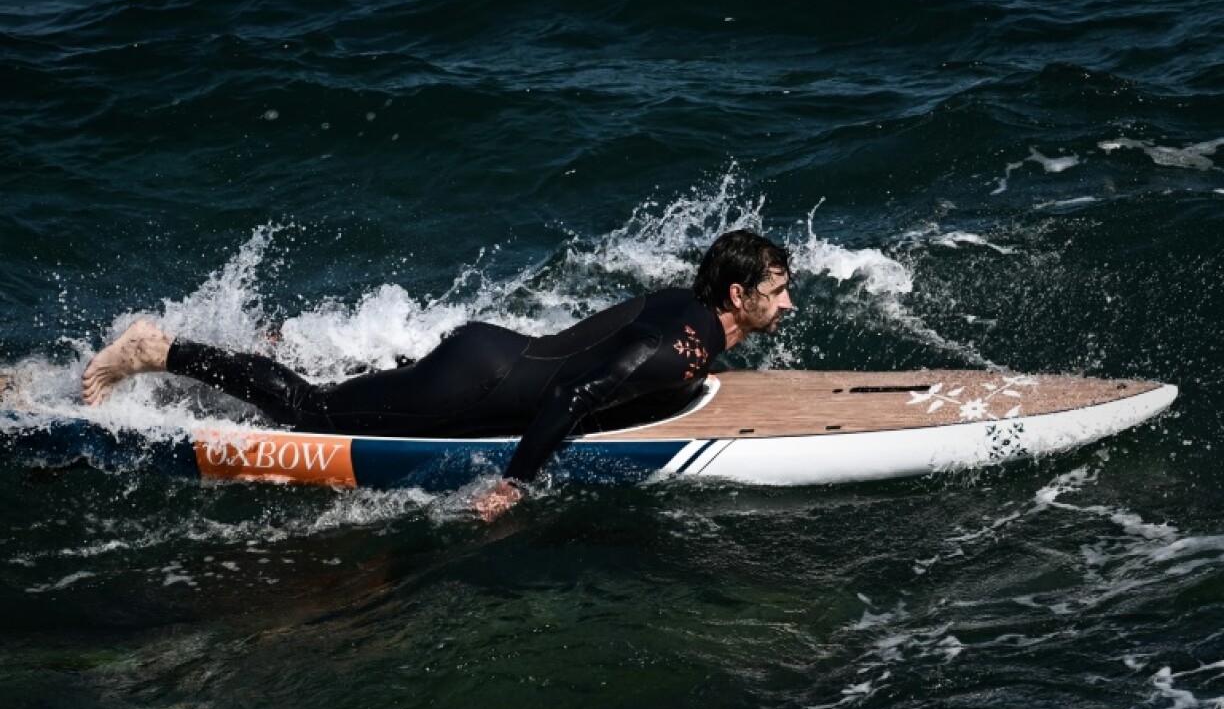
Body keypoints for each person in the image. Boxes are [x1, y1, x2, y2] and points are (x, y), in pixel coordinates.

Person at [81, 229, 794, 518]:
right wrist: (516, 484)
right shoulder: (686, 348)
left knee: (356, 395)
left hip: (490, 355)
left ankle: (221, 364)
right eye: (778, 288)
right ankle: (158, 350)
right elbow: (577, 392)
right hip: (477, 383)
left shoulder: (685, 304)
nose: (788, 302)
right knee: (314, 414)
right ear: (739, 295)